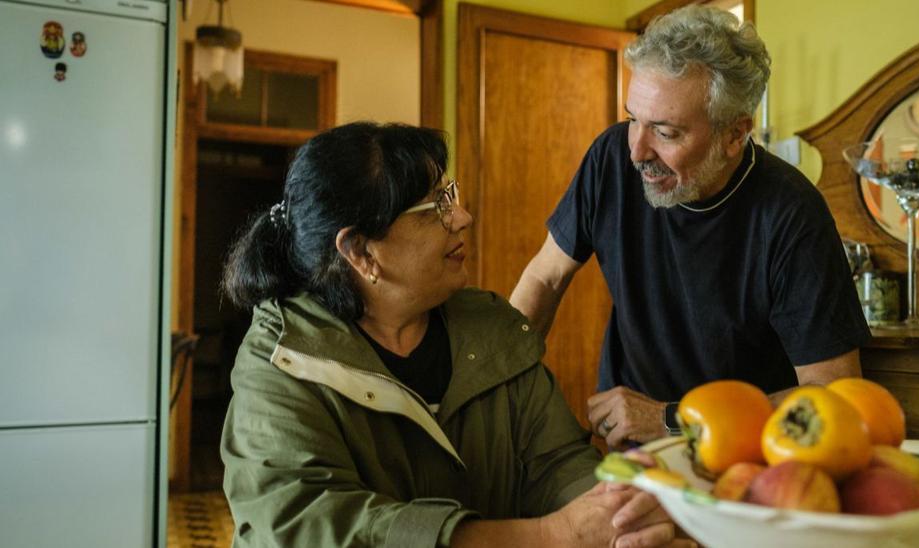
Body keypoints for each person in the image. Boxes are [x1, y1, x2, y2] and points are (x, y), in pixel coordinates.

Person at [220, 122, 687, 547]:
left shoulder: (492, 329)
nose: (462, 217)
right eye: (435, 207)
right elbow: (308, 526)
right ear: (360, 251)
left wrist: (616, 509)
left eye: (452, 194)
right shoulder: (281, 363)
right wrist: (552, 534)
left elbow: (558, 463)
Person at [510, 6, 870, 451]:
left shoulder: (791, 213)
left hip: (746, 459)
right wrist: (495, 386)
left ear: (734, 134)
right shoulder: (610, 160)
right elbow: (546, 276)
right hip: (631, 453)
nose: (637, 151)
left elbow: (833, 394)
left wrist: (670, 419)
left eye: (666, 132)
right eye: (633, 119)